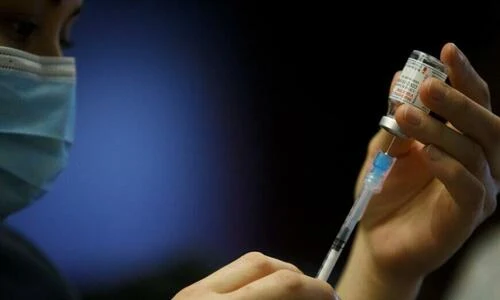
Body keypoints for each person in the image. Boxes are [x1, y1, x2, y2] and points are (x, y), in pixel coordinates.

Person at [0, 1, 498, 300]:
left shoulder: (25, 277)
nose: (51, 69)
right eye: (21, 26)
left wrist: (380, 269)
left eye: (67, 36)